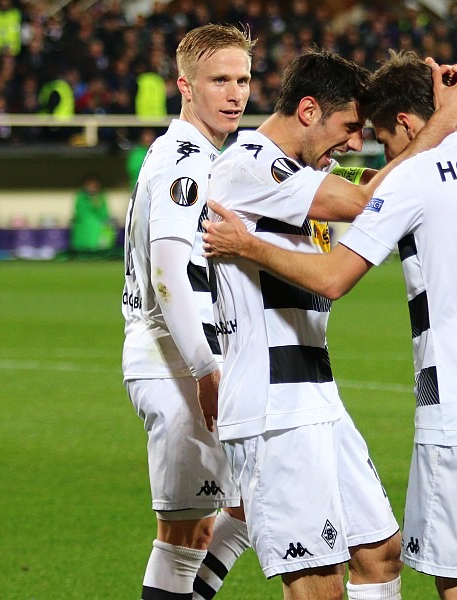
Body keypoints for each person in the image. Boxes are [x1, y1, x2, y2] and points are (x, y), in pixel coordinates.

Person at [203, 50, 457, 600]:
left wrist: (430, 131)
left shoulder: (310, 172)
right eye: (349, 128)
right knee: (318, 578)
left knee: (380, 551)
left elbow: (384, 185)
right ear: (307, 111)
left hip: (319, 395)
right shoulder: (249, 163)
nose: (354, 144)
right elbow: (373, 197)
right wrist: (441, 124)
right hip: (272, 400)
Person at [120, 24, 253, 600]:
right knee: (183, 537)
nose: (234, 93)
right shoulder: (183, 162)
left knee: (244, 507)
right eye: (219, 80)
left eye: (243, 80)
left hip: (191, 359)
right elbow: (169, 271)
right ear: (185, 86)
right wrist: (204, 368)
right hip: (175, 362)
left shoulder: (194, 154)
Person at [70, 174, 115, 255]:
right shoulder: (81, 197)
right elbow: (80, 213)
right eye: (90, 185)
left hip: (98, 234)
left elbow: (105, 214)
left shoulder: (101, 197)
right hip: (83, 234)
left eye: (94, 185)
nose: (92, 187)